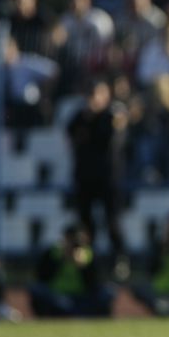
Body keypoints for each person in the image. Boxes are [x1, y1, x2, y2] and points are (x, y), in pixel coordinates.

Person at [67, 79, 129, 279]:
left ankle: (120, 261)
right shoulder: (79, 117)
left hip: (108, 179)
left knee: (112, 221)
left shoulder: (110, 117)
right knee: (86, 224)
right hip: (84, 178)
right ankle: (89, 264)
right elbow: (71, 135)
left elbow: (112, 139)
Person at [29, 224, 115, 318]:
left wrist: (83, 267)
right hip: (57, 296)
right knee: (37, 290)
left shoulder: (89, 254)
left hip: (83, 297)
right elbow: (41, 277)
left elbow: (96, 282)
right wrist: (61, 260)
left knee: (108, 292)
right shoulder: (53, 252)